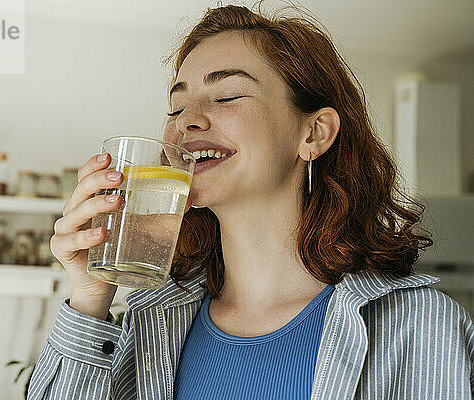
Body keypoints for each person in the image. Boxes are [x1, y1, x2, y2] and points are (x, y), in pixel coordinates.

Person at [27, 4, 474, 399]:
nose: (188, 123)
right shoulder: (152, 324)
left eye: (226, 96)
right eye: (175, 108)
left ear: (314, 133)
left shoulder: (419, 327)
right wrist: (90, 296)